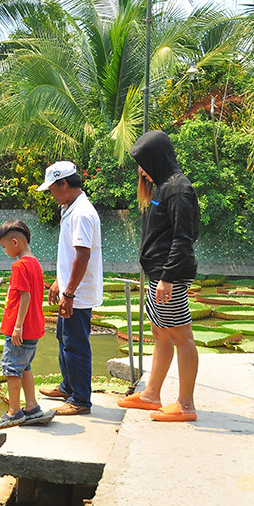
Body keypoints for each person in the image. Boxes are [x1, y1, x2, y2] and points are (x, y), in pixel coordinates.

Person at [117, 130, 200, 422]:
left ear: (156, 158)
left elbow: (184, 236)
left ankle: (186, 405)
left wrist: (167, 277)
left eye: (144, 162)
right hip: (160, 273)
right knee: (161, 333)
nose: (141, 169)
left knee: (180, 336)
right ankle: (152, 394)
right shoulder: (164, 186)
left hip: (170, 275)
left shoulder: (178, 188)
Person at [37, 161, 103, 416]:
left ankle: (81, 400)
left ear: (64, 183)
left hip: (79, 293)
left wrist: (69, 293)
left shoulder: (82, 213)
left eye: (53, 189)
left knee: (75, 345)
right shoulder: (70, 208)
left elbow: (82, 255)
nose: (52, 195)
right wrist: (59, 282)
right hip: (71, 288)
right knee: (63, 339)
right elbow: (69, 255)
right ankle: (67, 387)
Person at [0, 219, 45, 424]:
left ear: (15, 242)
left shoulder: (20, 265)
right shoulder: (34, 262)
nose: (4, 251)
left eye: (4, 246)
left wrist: (17, 327)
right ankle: (31, 405)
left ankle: (14, 411)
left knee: (11, 368)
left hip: (21, 331)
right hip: (34, 328)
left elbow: (25, 296)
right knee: (25, 367)